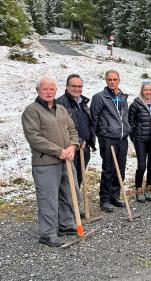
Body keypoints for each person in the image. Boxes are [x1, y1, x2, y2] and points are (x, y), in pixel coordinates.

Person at [22, 77, 80, 247]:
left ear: (56, 91)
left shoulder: (60, 109)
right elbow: (34, 138)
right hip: (45, 163)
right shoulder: (31, 111)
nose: (49, 92)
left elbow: (72, 129)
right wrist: (58, 151)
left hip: (66, 160)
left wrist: (72, 146)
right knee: (48, 198)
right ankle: (47, 233)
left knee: (70, 193)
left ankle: (66, 224)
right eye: (45, 89)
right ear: (38, 91)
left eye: (52, 89)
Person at [90, 70, 131, 213]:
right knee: (108, 169)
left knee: (120, 168)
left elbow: (125, 117)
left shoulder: (123, 97)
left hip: (122, 138)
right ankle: (105, 199)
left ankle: (115, 195)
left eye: (114, 79)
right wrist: (101, 134)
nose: (112, 82)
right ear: (106, 81)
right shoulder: (99, 97)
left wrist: (127, 129)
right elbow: (94, 119)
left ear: (118, 80)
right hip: (108, 138)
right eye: (109, 79)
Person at [56, 74, 95, 218]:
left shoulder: (83, 102)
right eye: (74, 86)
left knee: (78, 178)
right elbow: (61, 127)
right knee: (67, 181)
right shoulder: (60, 103)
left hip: (84, 148)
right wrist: (77, 141)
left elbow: (88, 122)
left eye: (79, 86)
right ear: (67, 86)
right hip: (70, 148)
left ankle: (74, 208)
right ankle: (66, 212)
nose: (77, 89)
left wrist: (90, 139)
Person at [128, 82, 151, 202]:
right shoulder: (135, 104)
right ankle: (139, 189)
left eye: (150, 90)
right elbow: (130, 123)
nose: (148, 92)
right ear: (142, 91)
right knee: (142, 166)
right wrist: (134, 137)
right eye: (145, 90)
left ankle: (149, 188)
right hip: (140, 140)